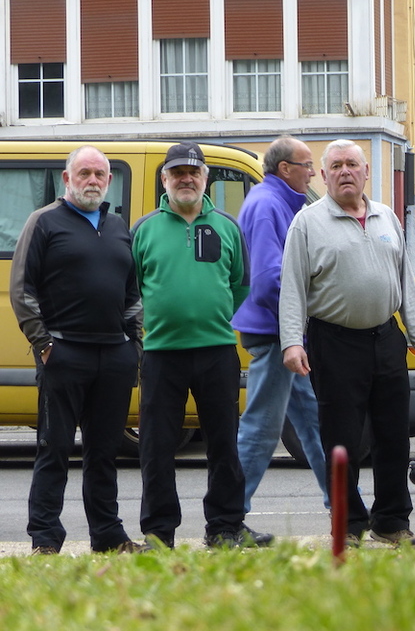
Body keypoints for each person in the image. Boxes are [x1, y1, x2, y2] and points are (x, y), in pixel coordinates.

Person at [279, 139, 415, 549]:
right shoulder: (307, 223)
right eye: (336, 166)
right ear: (324, 175)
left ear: (366, 172)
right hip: (334, 341)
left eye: (352, 164)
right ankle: (347, 524)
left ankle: (392, 522)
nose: (345, 171)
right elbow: (292, 288)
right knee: (341, 439)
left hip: (386, 337)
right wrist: (292, 342)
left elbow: (404, 280)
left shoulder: (386, 217)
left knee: (393, 436)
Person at [133, 142, 271, 549]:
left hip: (216, 352)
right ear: (165, 179)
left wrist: (214, 316)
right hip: (160, 353)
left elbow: (241, 285)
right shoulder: (144, 230)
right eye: (177, 173)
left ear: (205, 178)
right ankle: (159, 534)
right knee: (156, 448)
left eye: (193, 172)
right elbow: (132, 288)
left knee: (224, 444)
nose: (186, 179)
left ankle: (225, 527)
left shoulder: (227, 227)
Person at [10, 145, 143, 555]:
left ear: (109, 180)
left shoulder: (118, 227)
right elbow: (22, 290)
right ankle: (45, 539)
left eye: (100, 174)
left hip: (114, 356)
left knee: (103, 453)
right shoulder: (43, 222)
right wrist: (44, 344)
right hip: (63, 353)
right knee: (54, 449)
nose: (92, 181)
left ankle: (108, 536)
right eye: (84, 173)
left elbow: (132, 295)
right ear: (68, 179)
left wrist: (134, 345)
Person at [232, 135, 330, 518]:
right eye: (307, 165)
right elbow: (269, 280)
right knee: (261, 427)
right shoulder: (267, 205)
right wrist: (304, 319)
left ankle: (347, 508)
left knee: (316, 426)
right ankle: (229, 518)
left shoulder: (277, 202)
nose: (312, 173)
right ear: (285, 169)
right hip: (277, 335)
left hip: (283, 334)